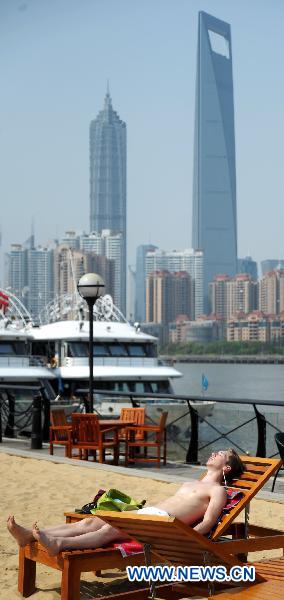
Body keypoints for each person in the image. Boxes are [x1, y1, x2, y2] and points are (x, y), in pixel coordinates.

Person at [7, 448, 244, 556]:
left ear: (226, 467)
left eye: (220, 454)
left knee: (111, 529)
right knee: (93, 521)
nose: (214, 453)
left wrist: (185, 540)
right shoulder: (195, 483)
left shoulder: (218, 490)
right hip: (150, 514)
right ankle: (30, 535)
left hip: (165, 525)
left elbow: (209, 521)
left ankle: (59, 543)